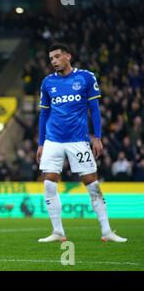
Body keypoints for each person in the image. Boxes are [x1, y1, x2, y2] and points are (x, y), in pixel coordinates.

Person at [36, 43, 127, 243]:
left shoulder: (86, 77)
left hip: (78, 140)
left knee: (92, 184)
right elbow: (44, 114)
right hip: (53, 140)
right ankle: (57, 231)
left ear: (68, 56)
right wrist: (41, 143)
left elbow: (94, 109)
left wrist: (97, 136)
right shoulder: (47, 82)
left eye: (57, 56)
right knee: (49, 184)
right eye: (51, 58)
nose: (54, 61)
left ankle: (107, 231)